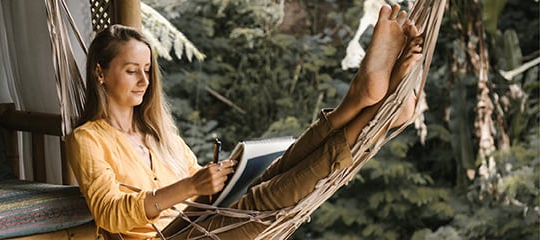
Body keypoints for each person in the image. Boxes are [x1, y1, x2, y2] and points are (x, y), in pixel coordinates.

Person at [65, 4, 423, 239]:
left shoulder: (159, 133)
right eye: (131, 71)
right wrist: (191, 186)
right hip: (165, 239)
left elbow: (198, 188)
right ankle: (375, 114)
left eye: (146, 71)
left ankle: (359, 102)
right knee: (261, 202)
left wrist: (217, 179)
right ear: (100, 72)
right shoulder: (87, 140)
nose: (144, 81)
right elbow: (109, 213)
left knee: (277, 170)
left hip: (197, 222)